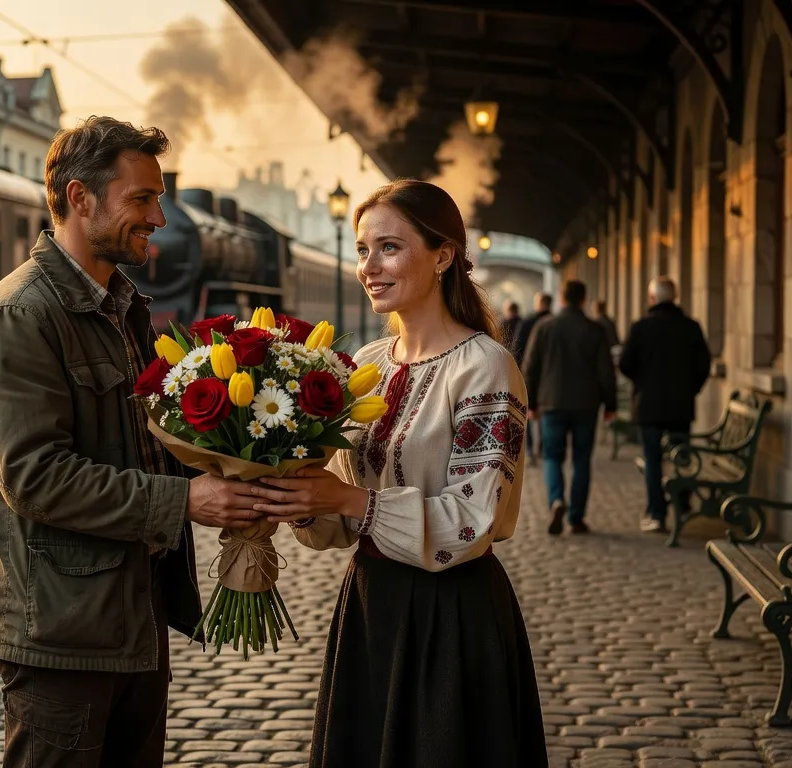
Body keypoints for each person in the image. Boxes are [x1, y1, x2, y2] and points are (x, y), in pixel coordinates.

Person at [0, 116, 265, 768]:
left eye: (159, 198)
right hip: (61, 634)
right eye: (141, 199)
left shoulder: (120, 307)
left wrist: (238, 473)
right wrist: (186, 502)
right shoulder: (21, 315)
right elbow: (36, 476)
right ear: (80, 198)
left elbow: (140, 447)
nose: (158, 217)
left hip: (130, 616)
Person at [245, 180, 548, 767]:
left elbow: (473, 519)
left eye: (389, 247)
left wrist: (349, 501)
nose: (369, 267)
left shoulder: (485, 367)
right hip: (369, 604)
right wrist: (298, 497)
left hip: (450, 613)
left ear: (443, 255)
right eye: (363, 249)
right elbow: (339, 512)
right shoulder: (367, 366)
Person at [522, 279, 617, 535]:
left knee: (552, 456)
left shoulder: (544, 327)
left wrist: (531, 402)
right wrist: (610, 404)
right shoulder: (595, 330)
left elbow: (530, 367)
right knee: (582, 459)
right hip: (586, 404)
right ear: (583, 300)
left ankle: (556, 500)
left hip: (552, 402)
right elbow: (606, 372)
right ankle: (576, 517)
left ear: (562, 299)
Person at [618, 276, 711, 533]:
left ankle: (657, 514)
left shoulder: (641, 327)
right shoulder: (691, 327)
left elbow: (625, 364)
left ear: (651, 299)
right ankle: (682, 505)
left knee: (653, 460)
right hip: (681, 405)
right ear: (675, 297)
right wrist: (691, 389)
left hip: (649, 405)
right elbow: (703, 365)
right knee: (682, 456)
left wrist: (642, 381)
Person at [513, 290, 552, 366]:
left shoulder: (528, 322)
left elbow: (518, 346)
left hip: (531, 364)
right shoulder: (557, 323)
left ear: (539, 303)